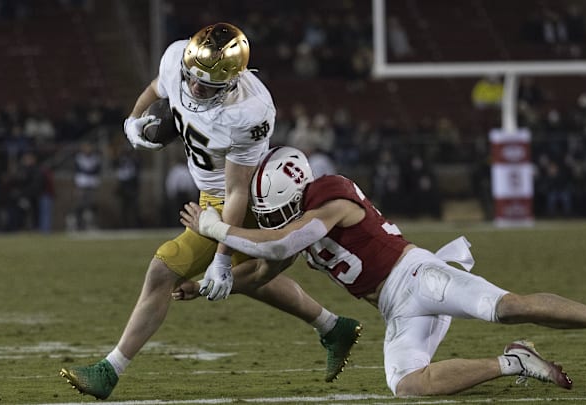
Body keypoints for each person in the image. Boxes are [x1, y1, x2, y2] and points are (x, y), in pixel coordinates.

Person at [177, 146, 586, 396]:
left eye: (267, 208)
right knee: (406, 385)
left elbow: (287, 238)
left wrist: (217, 230)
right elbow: (264, 269)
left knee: (509, 307)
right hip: (396, 309)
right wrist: (207, 285)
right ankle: (512, 363)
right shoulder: (294, 223)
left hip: (417, 276)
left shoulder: (329, 195)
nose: (264, 217)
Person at [59, 23, 361, 400]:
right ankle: (333, 327)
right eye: (193, 79)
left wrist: (219, 258)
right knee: (252, 280)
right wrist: (133, 120)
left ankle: (110, 370)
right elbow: (158, 87)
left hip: (243, 199)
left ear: (233, 79)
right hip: (211, 193)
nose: (197, 89)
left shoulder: (250, 112)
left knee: (167, 270)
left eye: (210, 86)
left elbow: (236, 191)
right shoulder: (178, 58)